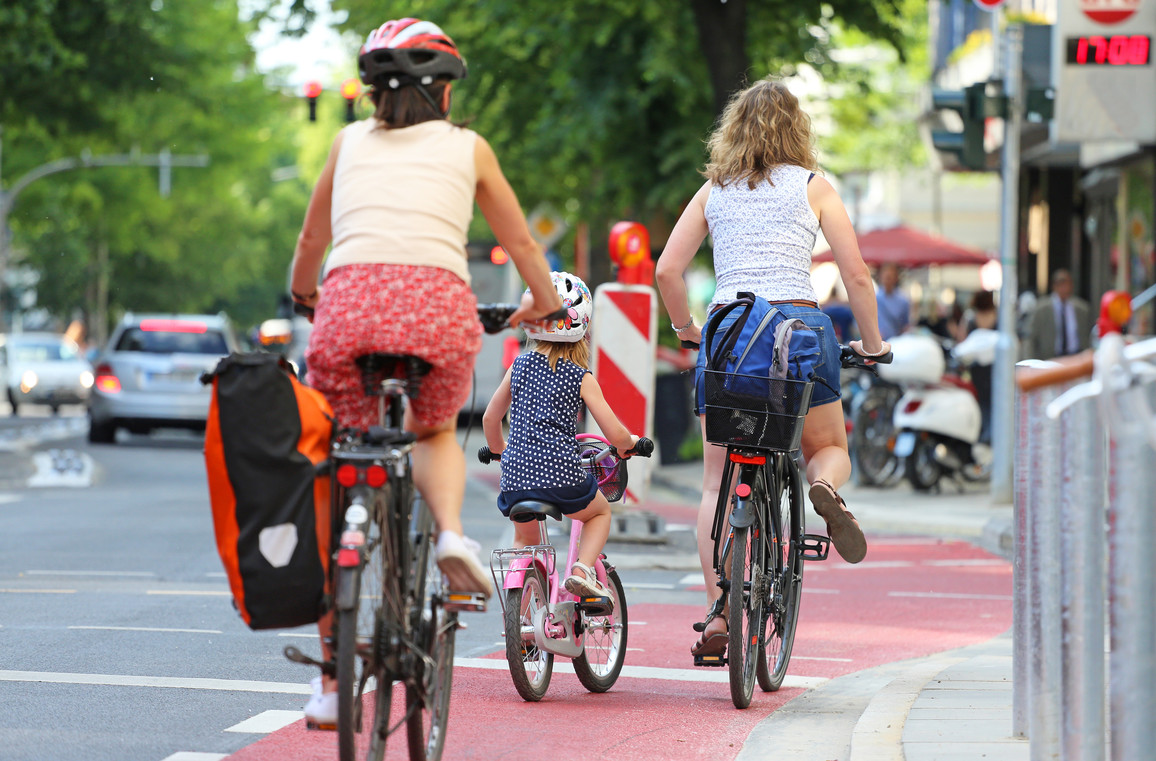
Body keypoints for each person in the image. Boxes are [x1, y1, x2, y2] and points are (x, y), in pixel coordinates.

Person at [288, 17, 562, 726]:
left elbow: (312, 239)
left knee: (337, 455)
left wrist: (304, 294)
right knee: (435, 428)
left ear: (372, 93)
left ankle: (328, 680)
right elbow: (521, 240)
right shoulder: (468, 147)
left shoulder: (346, 143)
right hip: (437, 309)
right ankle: (446, 532)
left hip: (346, 308)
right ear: (444, 90)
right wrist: (545, 302)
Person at [654, 76, 889, 658]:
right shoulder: (814, 187)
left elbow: (666, 270)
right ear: (797, 130)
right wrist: (875, 343)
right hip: (797, 333)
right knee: (826, 446)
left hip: (730, 336)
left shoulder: (714, 190)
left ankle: (719, 617)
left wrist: (687, 330)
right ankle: (823, 487)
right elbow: (856, 273)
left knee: (714, 482)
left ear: (732, 131)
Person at [482, 272, 640, 606]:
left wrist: (500, 452)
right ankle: (582, 570)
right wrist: (629, 443)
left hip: (515, 477)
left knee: (525, 542)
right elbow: (614, 433)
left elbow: (490, 418)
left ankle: (524, 626)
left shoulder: (518, 366)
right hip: (562, 473)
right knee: (598, 514)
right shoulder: (579, 376)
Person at [1023, 269, 1092, 360]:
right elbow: (1030, 337)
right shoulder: (1041, 308)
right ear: (1054, 286)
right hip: (1050, 358)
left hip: (1075, 356)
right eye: (1061, 284)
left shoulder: (1082, 309)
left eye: (1067, 284)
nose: (1064, 288)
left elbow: (1088, 334)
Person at [875, 262, 910, 340]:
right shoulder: (873, 298)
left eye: (890, 277)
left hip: (896, 344)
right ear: (880, 276)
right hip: (878, 344)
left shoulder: (903, 301)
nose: (888, 279)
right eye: (886, 276)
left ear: (896, 278)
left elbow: (905, 325)